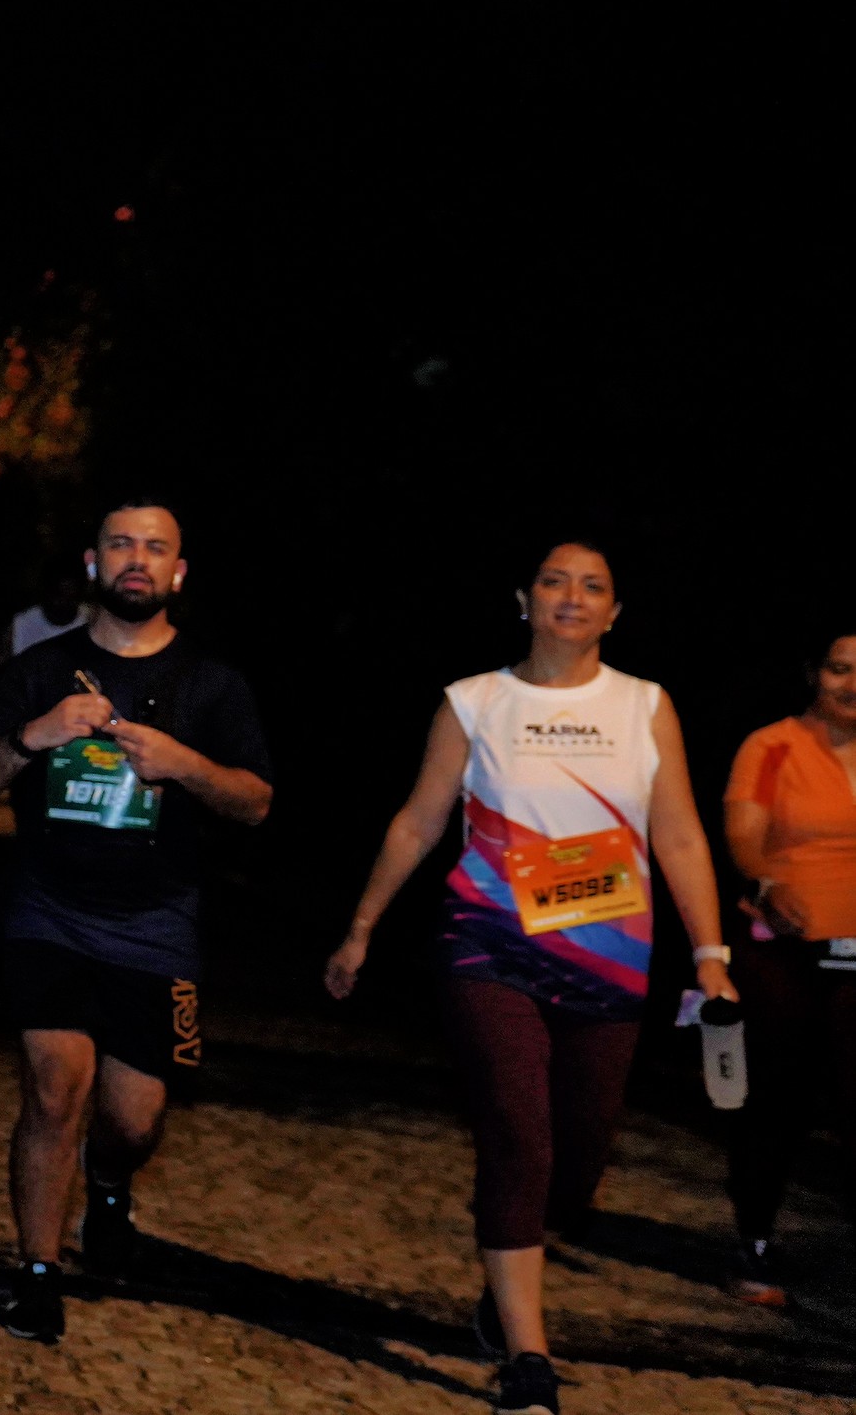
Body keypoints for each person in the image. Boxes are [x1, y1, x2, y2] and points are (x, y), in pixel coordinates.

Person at [324, 541, 737, 1415]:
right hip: (488, 944)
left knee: (578, 1160)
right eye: (554, 580)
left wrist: (711, 955)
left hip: (608, 956)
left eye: (593, 586)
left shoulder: (643, 704)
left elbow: (679, 835)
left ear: (614, 612)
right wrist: (360, 927)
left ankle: (505, 1273)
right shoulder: (474, 700)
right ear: (524, 598)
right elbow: (417, 821)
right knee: (518, 1132)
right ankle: (527, 1357)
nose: (571, 597)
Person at [0, 500, 273, 1345]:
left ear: (178, 572)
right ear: (92, 564)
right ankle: (37, 1274)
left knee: (132, 1120)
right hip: (45, 911)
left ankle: (108, 1181)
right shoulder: (39, 668)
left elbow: (254, 802)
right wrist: (32, 736)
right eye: (120, 544)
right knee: (54, 1086)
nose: (138, 558)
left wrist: (185, 764)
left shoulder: (212, 683)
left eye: (155, 547)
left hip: (155, 924)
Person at [718, 628, 856, 1307]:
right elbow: (743, 835)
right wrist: (768, 882)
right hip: (786, 946)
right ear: (813, 673)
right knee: (779, 1096)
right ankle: (754, 1241)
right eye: (839, 668)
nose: (852, 685)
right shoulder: (770, 745)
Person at [0, 567, 85, 661]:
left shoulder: (91, 620)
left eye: (70, 597)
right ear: (46, 592)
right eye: (58, 595)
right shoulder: (21, 624)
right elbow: (1, 664)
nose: (63, 602)